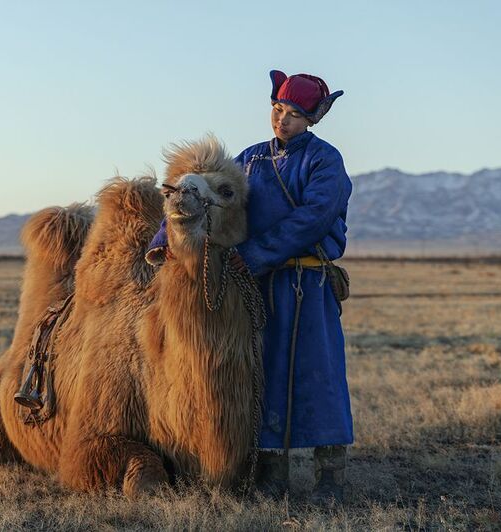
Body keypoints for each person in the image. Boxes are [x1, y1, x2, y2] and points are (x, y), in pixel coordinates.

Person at [146, 70, 353, 504]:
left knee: (319, 372)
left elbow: (312, 219)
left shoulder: (324, 161)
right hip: (255, 285)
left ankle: (330, 474)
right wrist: (164, 241)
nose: (283, 120)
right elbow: (206, 197)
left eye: (295, 114)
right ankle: (269, 470)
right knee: (262, 372)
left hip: (305, 281)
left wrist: (256, 253)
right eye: (278, 110)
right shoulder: (250, 159)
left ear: (314, 118)